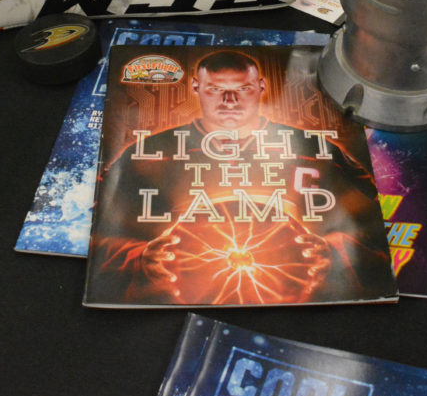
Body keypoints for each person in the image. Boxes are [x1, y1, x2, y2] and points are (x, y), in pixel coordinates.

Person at [87, 49, 394, 305]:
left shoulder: (315, 148)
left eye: (242, 89)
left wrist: (334, 250)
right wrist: (141, 257)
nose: (229, 101)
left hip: (306, 300)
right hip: (175, 299)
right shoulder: (150, 151)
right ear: (196, 89)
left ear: (261, 87)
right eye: (216, 89)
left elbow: (377, 221)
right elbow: (98, 227)